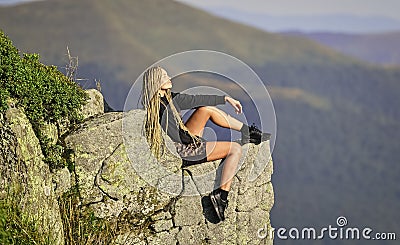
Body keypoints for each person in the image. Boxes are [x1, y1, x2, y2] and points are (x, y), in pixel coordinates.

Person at [141, 66, 270, 222]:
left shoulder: (169, 98)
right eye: (164, 76)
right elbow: (175, 138)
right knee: (235, 149)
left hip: (184, 141)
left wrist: (225, 99)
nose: (169, 77)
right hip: (182, 150)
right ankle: (221, 197)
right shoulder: (159, 108)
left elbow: (197, 100)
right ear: (155, 82)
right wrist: (198, 142)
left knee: (205, 109)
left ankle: (248, 131)